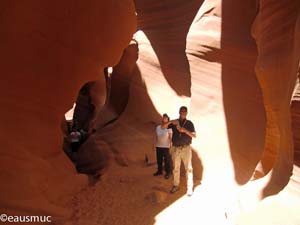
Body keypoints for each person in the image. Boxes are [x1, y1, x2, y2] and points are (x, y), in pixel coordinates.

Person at [168, 106, 196, 196]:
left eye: (185, 111)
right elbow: (163, 126)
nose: (183, 113)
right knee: (176, 168)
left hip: (186, 149)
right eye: (182, 111)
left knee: (189, 169)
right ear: (179, 112)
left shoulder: (189, 123)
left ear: (186, 113)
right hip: (176, 149)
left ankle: (189, 188)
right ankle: (176, 185)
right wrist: (171, 121)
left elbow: (194, 135)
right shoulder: (174, 122)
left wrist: (185, 131)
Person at [153, 114, 173, 179]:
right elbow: (157, 136)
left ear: (168, 120)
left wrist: (171, 146)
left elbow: (170, 137)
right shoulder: (158, 127)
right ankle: (159, 171)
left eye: (166, 118)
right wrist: (155, 144)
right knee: (159, 160)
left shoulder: (169, 129)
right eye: (163, 118)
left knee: (167, 160)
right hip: (158, 146)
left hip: (166, 147)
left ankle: (168, 172)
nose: (164, 119)